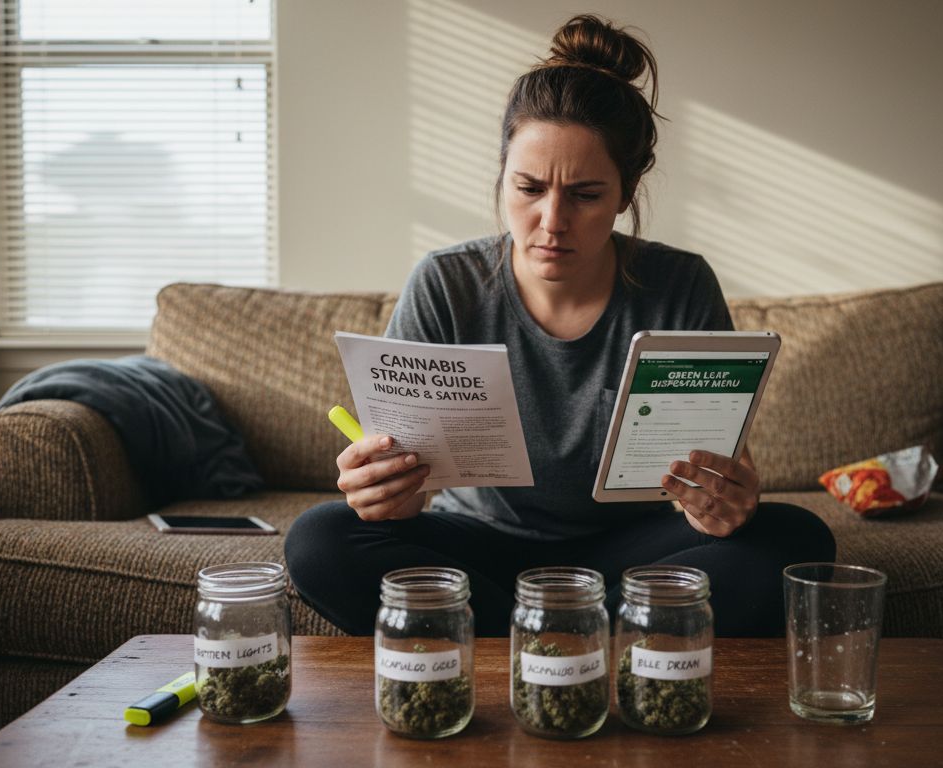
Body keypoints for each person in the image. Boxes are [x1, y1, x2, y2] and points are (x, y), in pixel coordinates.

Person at [286, 14, 835, 637]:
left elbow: (718, 470)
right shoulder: (445, 283)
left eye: (585, 194)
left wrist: (726, 504)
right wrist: (386, 493)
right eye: (528, 188)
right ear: (502, 177)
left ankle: (518, 637)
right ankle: (596, 639)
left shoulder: (680, 285)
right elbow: (404, 482)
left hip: (630, 550)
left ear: (626, 194)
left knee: (798, 538)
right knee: (318, 540)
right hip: (481, 543)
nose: (551, 221)